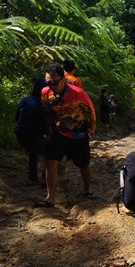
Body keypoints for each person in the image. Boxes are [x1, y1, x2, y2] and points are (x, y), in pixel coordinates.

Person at [34, 63, 96, 207]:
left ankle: (87, 189)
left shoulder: (78, 94)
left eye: (54, 82)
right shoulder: (45, 93)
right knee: (51, 161)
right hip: (59, 132)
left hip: (79, 135)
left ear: (63, 79)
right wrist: (47, 130)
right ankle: (50, 197)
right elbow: (48, 111)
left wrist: (89, 133)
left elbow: (91, 113)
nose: (51, 85)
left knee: (83, 163)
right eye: (48, 82)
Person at [14, 78, 47, 186]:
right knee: (52, 154)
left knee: (34, 152)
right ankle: (45, 179)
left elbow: (17, 117)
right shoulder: (43, 105)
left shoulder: (25, 100)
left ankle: (32, 177)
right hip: (32, 136)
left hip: (20, 134)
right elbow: (46, 125)